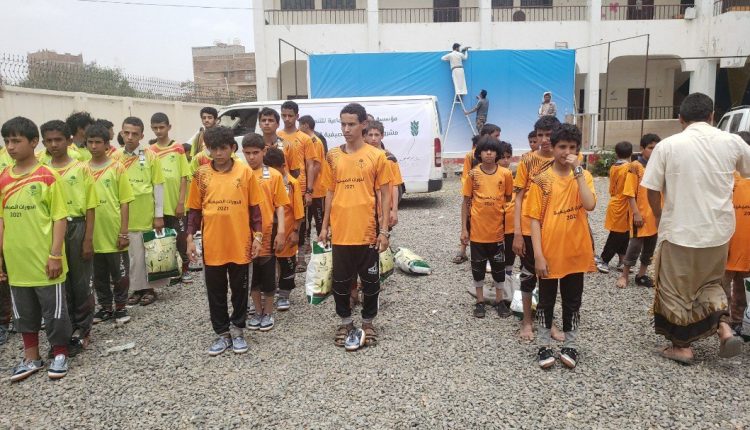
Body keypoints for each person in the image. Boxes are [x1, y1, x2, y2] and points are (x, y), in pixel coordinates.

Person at [642, 93, 750, 363]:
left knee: (675, 289)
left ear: (680, 119)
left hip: (680, 231)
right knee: (710, 284)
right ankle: (724, 328)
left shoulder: (668, 146)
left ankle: (682, 346)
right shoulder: (732, 141)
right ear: (712, 116)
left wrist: (658, 215)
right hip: (718, 232)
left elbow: (651, 188)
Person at [0, 117, 72, 381]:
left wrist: (55, 255)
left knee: (54, 311)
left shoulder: (48, 177)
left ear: (33, 142)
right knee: (23, 312)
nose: (10, 146)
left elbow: (59, 218)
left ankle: (60, 352)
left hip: (45, 260)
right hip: (17, 261)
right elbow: (2, 220)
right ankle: (31, 357)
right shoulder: (3, 178)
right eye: (7, 141)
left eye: (16, 141)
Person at [318, 103, 391, 352]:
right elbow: (329, 192)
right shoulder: (333, 156)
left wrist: (384, 231)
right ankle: (345, 322)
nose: (346, 129)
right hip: (341, 232)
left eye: (351, 124)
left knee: (370, 283)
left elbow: (385, 195)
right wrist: (324, 226)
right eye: (343, 124)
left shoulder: (377, 156)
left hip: (367, 232)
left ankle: (368, 322)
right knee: (340, 283)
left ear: (363, 125)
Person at [186, 126, 263, 356]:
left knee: (240, 290)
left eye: (223, 148)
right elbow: (194, 210)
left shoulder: (245, 172)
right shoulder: (201, 175)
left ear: (232, 148)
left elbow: (255, 209)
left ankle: (238, 330)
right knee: (215, 292)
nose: (218, 153)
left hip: (240, 244)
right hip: (213, 245)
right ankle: (222, 333)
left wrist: (258, 237)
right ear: (207, 149)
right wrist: (189, 238)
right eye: (213, 148)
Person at [525, 123, 596, 369]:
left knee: (572, 301)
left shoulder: (584, 176)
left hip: (576, 252)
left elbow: (589, 205)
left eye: (572, 147)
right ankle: (544, 344)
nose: (567, 152)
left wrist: (578, 172)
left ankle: (571, 344)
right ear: (553, 148)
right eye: (562, 147)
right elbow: (534, 220)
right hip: (549, 252)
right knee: (546, 301)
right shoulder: (541, 180)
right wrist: (538, 255)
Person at [40, 120, 97, 354]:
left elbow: (91, 206)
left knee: (80, 281)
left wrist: (88, 239)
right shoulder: (42, 170)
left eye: (58, 139)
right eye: (49, 140)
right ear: (42, 142)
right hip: (52, 230)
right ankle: (65, 327)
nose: (54, 144)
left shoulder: (81, 168)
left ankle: (83, 328)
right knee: (58, 281)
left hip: (76, 226)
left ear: (69, 140)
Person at [513, 115, 562, 341]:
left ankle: (547, 320)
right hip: (527, 228)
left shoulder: (565, 161)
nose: (544, 140)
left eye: (548, 135)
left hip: (554, 228)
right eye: (540, 135)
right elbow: (518, 198)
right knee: (528, 274)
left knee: (550, 276)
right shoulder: (527, 161)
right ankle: (526, 321)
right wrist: (517, 233)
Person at [87, 122, 135, 326]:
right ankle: (105, 307)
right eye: (90, 142)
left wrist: (123, 232)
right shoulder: (82, 169)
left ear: (107, 144)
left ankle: (121, 306)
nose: (94, 146)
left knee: (120, 273)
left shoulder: (117, 168)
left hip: (113, 231)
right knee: (98, 275)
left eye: (98, 142)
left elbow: (124, 202)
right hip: (93, 233)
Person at [461, 137, 514, 318]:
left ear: (498, 153)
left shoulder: (505, 174)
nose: (489, 153)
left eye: (492, 150)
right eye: (485, 150)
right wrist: (464, 229)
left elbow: (508, 198)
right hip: (477, 233)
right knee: (478, 269)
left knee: (499, 269)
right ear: (479, 153)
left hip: (497, 233)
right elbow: (465, 202)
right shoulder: (473, 174)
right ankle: (480, 301)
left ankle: (500, 301)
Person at [116, 117, 165, 307]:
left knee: (147, 253)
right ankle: (136, 289)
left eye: (134, 134)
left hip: (146, 213)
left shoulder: (151, 156)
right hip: (123, 215)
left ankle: (149, 289)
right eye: (126, 133)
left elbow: (158, 186)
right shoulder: (115, 157)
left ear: (142, 136)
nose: (130, 137)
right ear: (121, 133)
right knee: (132, 256)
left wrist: (159, 215)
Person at [241, 133, 288, 332]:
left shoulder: (274, 175)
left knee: (268, 273)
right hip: (245, 234)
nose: (251, 157)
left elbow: (280, 205)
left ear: (263, 151)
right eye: (247, 153)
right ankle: (257, 310)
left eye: (255, 152)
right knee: (251, 275)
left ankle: (268, 311)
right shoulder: (240, 174)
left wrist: (282, 231)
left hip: (268, 232)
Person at [149, 113, 191, 283]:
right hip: (159, 206)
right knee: (164, 240)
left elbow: (184, 177)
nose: (159, 131)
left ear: (169, 127)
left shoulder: (178, 148)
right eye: (155, 128)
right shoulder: (150, 151)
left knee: (181, 238)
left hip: (175, 204)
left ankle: (185, 269)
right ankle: (170, 271)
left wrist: (181, 202)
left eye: (162, 127)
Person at [453, 123, 501, 264]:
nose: (498, 139)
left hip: (491, 195)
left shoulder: (496, 153)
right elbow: (465, 176)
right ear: (486, 136)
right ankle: (463, 249)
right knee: (469, 220)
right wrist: (470, 192)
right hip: (474, 194)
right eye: (496, 136)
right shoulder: (471, 155)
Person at [616, 135, 660, 289]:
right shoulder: (635, 166)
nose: (654, 151)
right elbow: (629, 193)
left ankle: (641, 275)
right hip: (640, 214)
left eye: (656, 148)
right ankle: (624, 275)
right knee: (634, 245)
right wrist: (636, 213)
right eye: (650, 147)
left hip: (655, 215)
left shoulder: (659, 166)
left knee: (650, 246)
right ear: (642, 149)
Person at [277, 101, 317, 268]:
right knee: (281, 222)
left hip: (299, 187)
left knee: (300, 222)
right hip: (279, 188)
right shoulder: (277, 135)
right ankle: (282, 257)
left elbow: (310, 165)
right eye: (284, 115)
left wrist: (309, 190)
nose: (287, 119)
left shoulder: (305, 138)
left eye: (290, 116)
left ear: (297, 116)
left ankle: (300, 258)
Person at [264, 147, 304, 311]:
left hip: (287, 230)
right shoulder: (264, 181)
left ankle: (284, 294)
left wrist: (295, 232)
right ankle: (267, 292)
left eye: (275, 169)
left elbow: (299, 211)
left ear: (283, 166)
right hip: (268, 229)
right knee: (267, 262)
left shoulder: (293, 184)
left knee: (287, 262)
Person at [723, 130, 750, 335]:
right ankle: (726, 321)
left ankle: (734, 321)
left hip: (736, 243)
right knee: (725, 286)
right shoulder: (726, 177)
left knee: (738, 287)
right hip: (729, 242)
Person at [595, 141, 632, 273]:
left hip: (616, 202)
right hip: (623, 204)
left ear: (616, 153)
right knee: (617, 235)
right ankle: (604, 260)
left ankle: (622, 260)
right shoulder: (629, 168)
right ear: (631, 153)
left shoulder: (614, 167)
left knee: (625, 233)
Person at [299, 115, 328, 262]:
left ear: (305, 125)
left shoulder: (314, 141)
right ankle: (307, 247)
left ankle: (323, 248)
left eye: (300, 125)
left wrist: (308, 185)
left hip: (317, 189)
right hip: (310, 189)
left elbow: (316, 165)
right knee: (305, 219)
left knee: (319, 220)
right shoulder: (309, 140)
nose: (298, 128)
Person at [498, 141, 516, 277]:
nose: (505, 161)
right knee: (496, 249)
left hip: (511, 220)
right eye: (502, 157)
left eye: (508, 157)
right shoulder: (491, 176)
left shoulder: (515, 176)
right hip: (496, 219)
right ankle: (498, 276)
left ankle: (508, 274)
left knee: (510, 248)